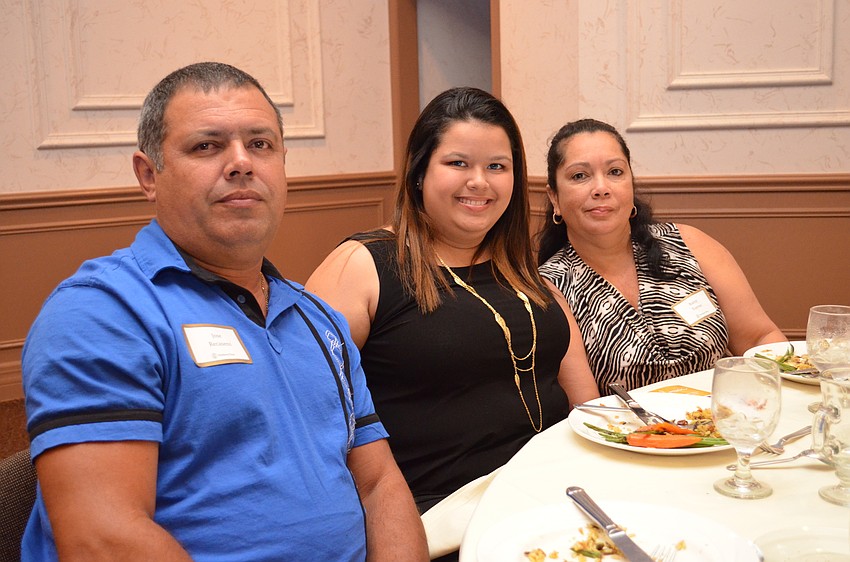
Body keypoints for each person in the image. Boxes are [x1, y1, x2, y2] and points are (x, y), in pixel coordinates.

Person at [20, 62, 428, 561]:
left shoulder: (317, 318)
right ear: (149, 174)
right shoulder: (104, 312)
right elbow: (102, 539)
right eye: (206, 146)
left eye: (261, 144)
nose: (242, 163)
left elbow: (380, 484)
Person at [306, 87, 599, 559]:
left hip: (556, 498)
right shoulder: (364, 265)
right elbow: (305, 414)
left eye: (497, 166)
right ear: (420, 171)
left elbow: (582, 397)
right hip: (443, 521)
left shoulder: (521, 265)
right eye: (458, 163)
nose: (479, 182)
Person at [537, 118, 787, 393]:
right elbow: (586, 407)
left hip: (730, 422)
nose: (601, 187)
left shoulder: (689, 242)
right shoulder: (550, 286)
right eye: (579, 176)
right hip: (624, 433)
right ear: (555, 198)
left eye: (615, 172)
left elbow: (759, 337)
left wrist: (774, 403)